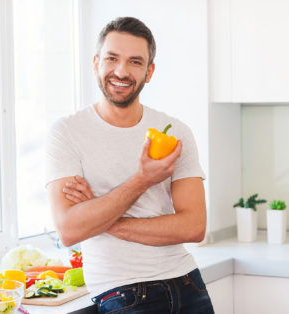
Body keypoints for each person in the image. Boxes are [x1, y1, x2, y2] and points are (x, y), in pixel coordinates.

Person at [45, 17, 214, 313]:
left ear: (149, 72)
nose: (121, 71)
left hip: (188, 284)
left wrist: (98, 214)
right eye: (112, 58)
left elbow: (194, 226)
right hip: (123, 296)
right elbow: (70, 231)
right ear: (96, 62)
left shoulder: (173, 131)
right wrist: (142, 179)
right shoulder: (67, 133)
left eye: (135, 62)